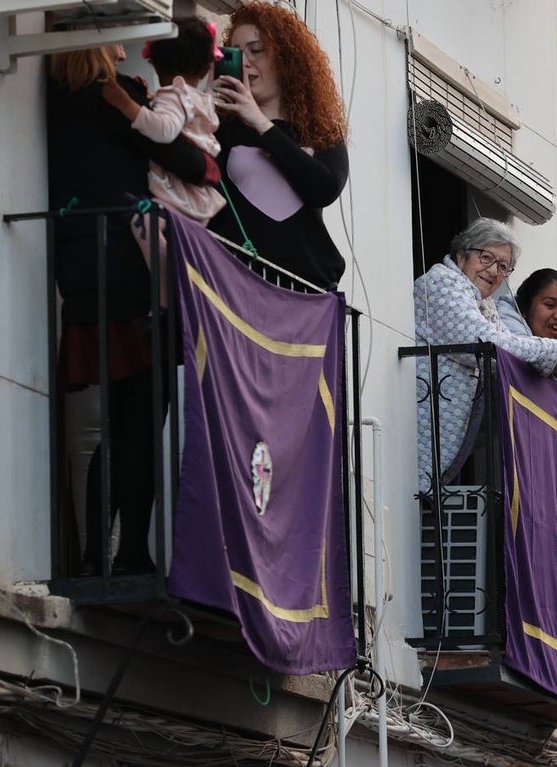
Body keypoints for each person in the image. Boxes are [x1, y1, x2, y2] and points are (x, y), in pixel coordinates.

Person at [48, 44, 215, 576]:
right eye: (117, 39)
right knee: (143, 417)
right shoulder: (119, 94)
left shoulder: (50, 93)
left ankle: (100, 552)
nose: (125, 49)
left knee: (117, 422)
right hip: (135, 271)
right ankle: (130, 554)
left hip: (81, 272)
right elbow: (198, 166)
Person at [413, 218, 557, 493]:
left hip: (445, 443)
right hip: (418, 436)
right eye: (486, 258)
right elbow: (488, 344)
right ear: (462, 254)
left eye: (503, 266)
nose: (493, 271)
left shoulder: (484, 303)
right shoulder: (441, 283)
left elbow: (517, 353)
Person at [210, 2, 349, 290]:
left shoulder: (320, 131)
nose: (245, 62)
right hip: (233, 286)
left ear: (286, 58)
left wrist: (260, 124)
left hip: (303, 294)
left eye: (256, 50)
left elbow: (324, 189)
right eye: (236, 52)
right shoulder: (222, 128)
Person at [103, 17, 227, 224]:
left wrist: (126, 104)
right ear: (205, 69)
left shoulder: (174, 95)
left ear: (156, 65)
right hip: (195, 195)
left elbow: (165, 130)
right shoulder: (199, 99)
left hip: (175, 194)